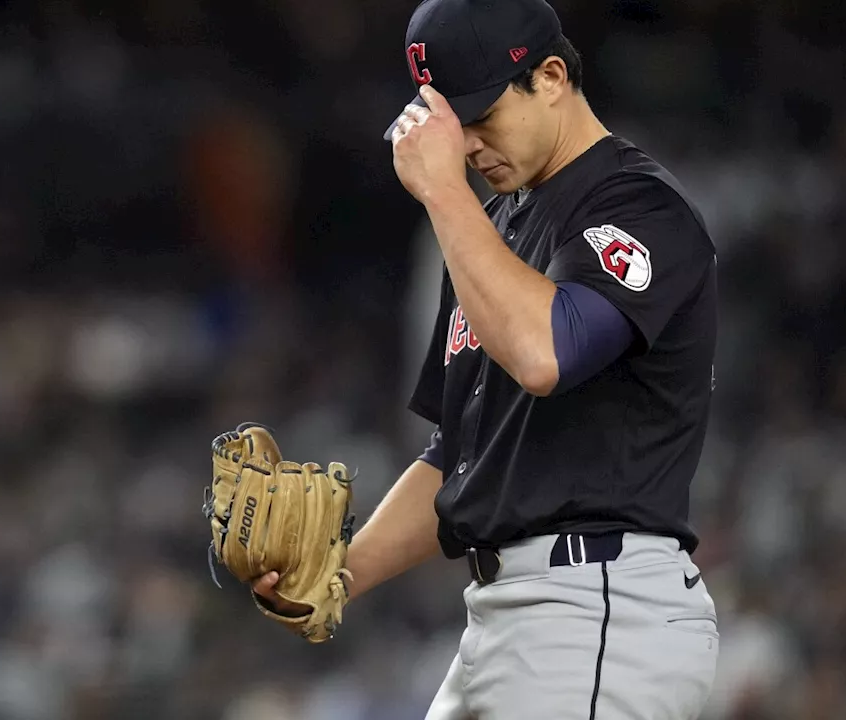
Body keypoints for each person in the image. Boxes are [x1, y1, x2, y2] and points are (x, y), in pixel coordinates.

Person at [252, 0, 720, 717]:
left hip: (598, 609)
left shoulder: (636, 204)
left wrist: (443, 194)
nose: (465, 146)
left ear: (552, 76)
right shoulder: (491, 230)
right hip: (505, 618)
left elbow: (545, 353)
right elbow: (459, 458)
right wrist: (336, 574)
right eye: (450, 122)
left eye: (481, 116)